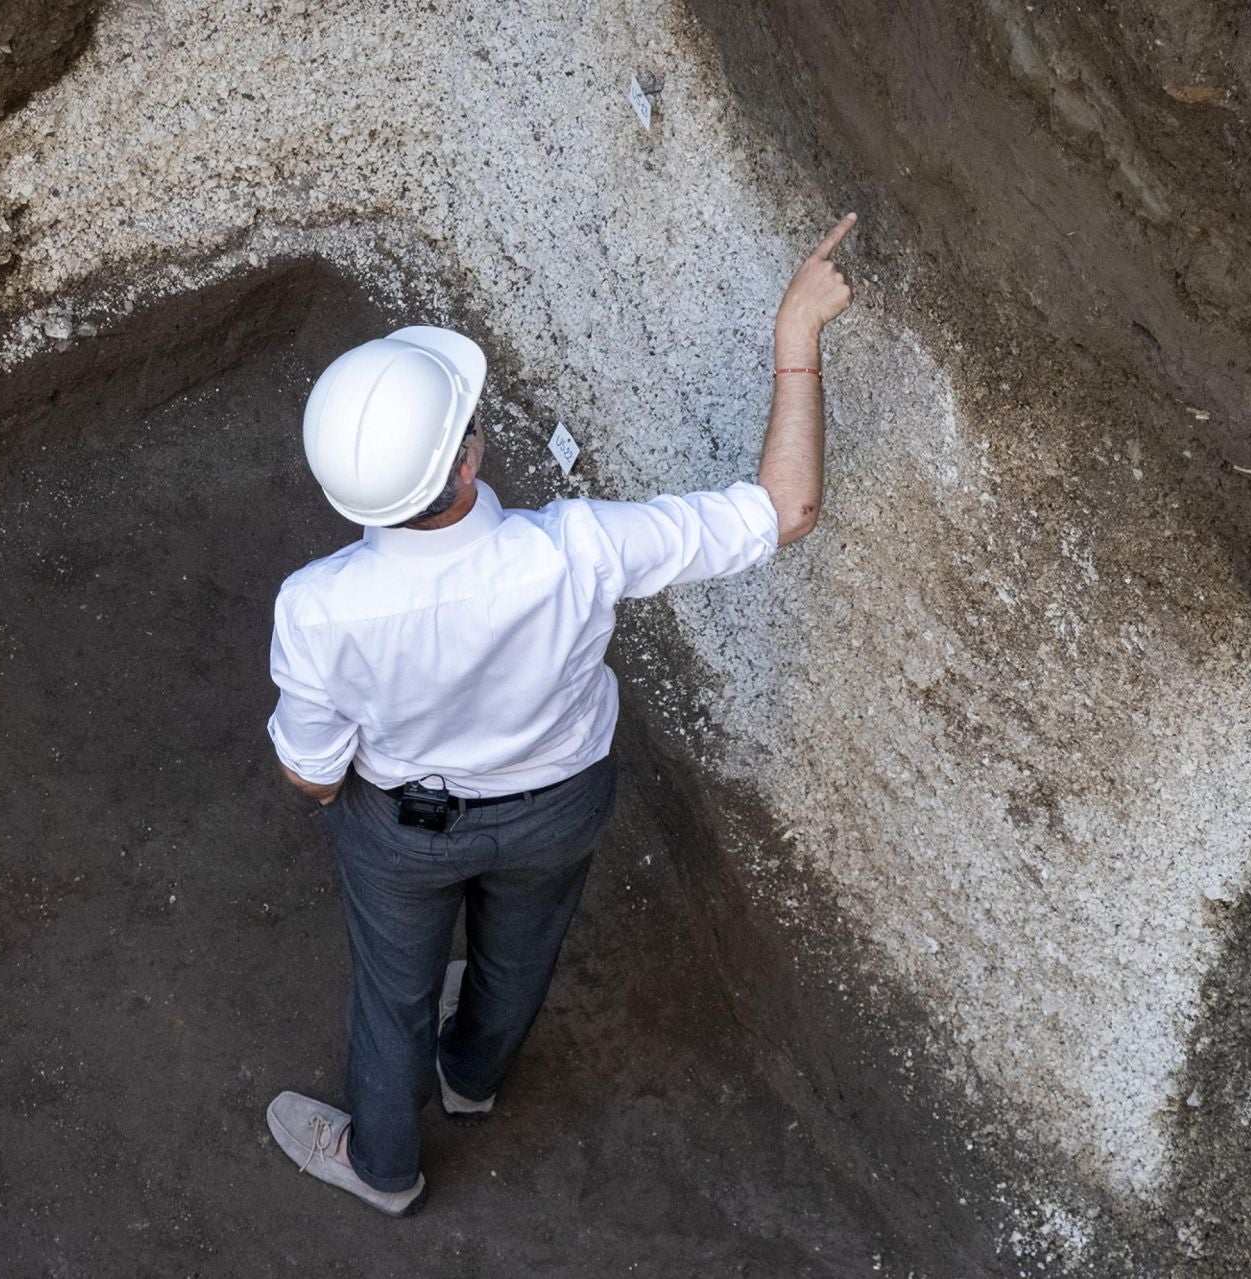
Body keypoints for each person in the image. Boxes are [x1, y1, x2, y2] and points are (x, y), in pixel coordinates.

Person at [263, 215, 858, 1215]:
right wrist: (797, 338)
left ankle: (384, 1166)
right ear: (462, 466)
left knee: (391, 994)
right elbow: (786, 510)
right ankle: (474, 1075)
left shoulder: (318, 606)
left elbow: (313, 774)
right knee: (518, 949)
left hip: (403, 829)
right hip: (557, 802)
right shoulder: (579, 548)